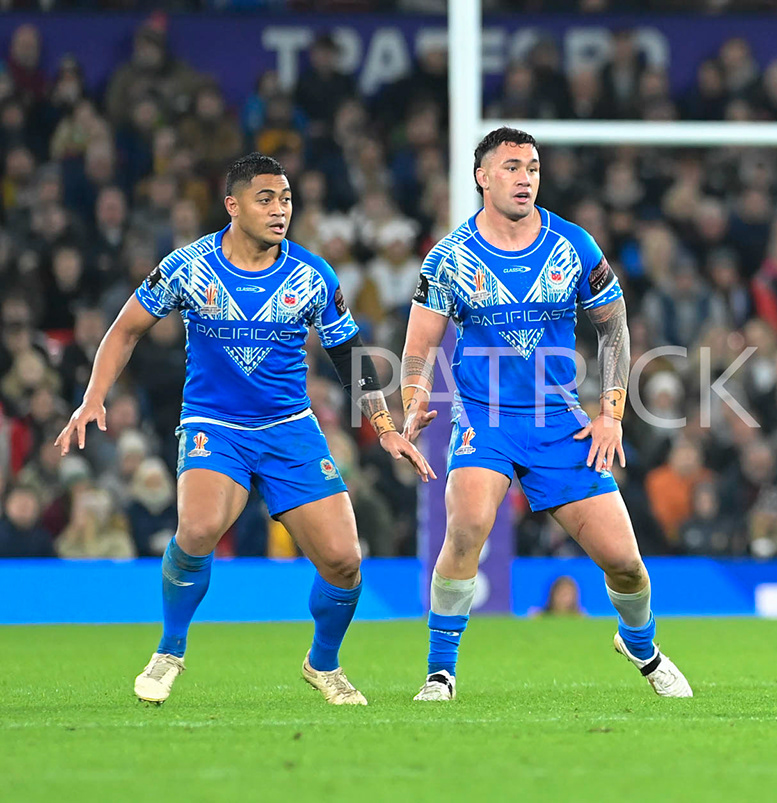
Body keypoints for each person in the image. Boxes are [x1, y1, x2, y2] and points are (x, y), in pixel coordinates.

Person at [55, 153, 432, 706]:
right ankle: (170, 650)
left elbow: (350, 355)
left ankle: (322, 663)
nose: (280, 211)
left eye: (286, 200)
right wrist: (93, 396)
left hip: (289, 429)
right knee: (200, 528)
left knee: (345, 560)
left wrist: (384, 425)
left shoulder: (312, 275)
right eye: (266, 199)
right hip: (216, 425)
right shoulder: (190, 266)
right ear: (233, 206)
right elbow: (126, 329)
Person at [397, 127, 691, 702]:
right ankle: (440, 672)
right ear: (483, 177)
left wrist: (611, 413)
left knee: (626, 565)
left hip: (560, 422)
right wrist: (412, 402)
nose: (525, 177)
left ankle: (641, 645)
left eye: (532, 167)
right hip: (486, 420)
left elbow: (614, 329)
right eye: (511, 167)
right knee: (466, 529)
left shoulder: (572, 245)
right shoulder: (451, 258)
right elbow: (417, 347)